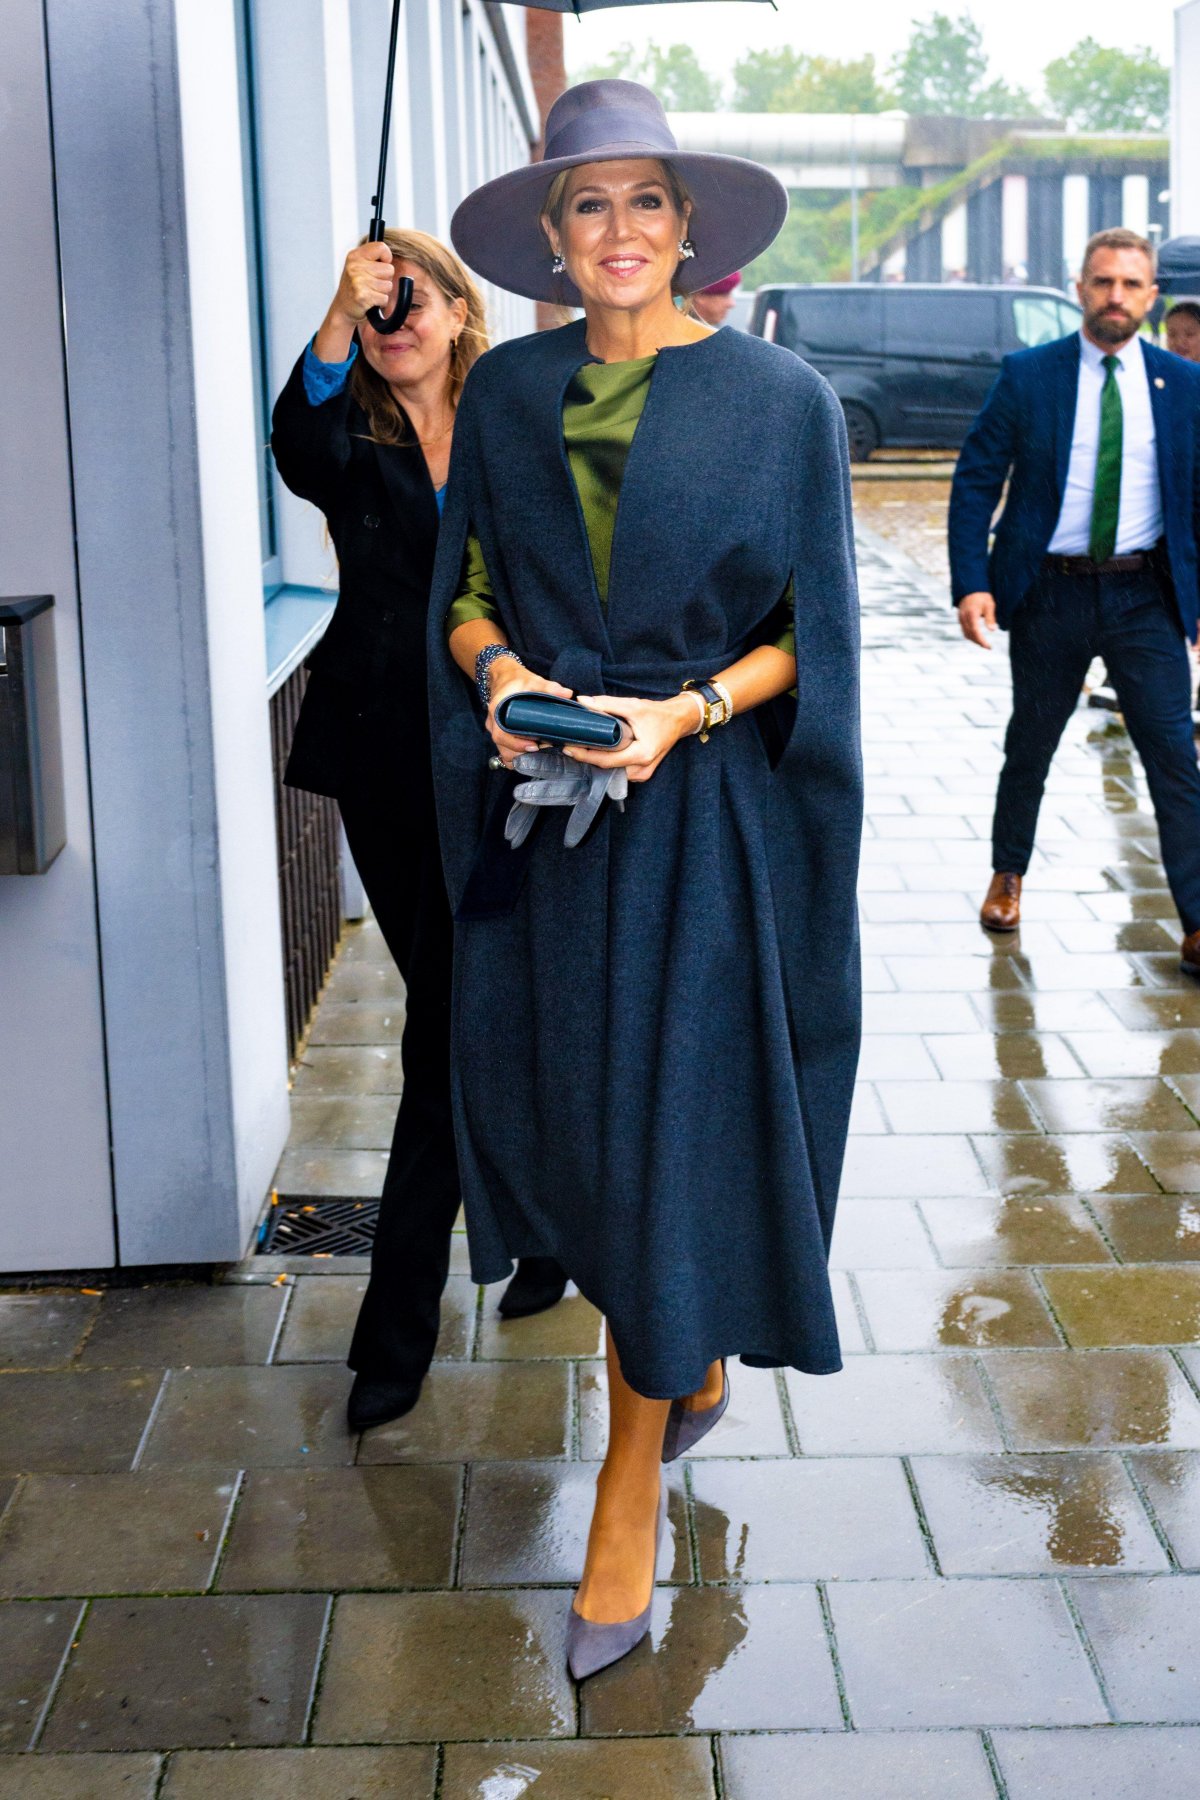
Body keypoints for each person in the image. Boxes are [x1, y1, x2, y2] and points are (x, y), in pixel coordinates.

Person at [428, 80, 862, 1679]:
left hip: (700, 827)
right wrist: (499, 678)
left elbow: (813, 632)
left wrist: (683, 712)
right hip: (551, 832)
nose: (621, 231)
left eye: (647, 201)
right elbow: (464, 588)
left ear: (690, 230)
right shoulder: (508, 396)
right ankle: (685, 1358)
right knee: (585, 1130)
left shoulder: (781, 403)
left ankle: (628, 1487)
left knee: (661, 1135)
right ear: (552, 237)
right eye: (589, 204)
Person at [270, 230, 566, 1437]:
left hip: (512, 758)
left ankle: (536, 1242)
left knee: (514, 1001)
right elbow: (297, 447)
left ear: (457, 309)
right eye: (376, 307)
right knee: (450, 1016)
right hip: (388, 760)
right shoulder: (353, 440)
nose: (395, 321)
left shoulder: (513, 425)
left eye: (410, 300)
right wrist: (338, 317)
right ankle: (398, 1334)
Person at [949, 227, 1200, 971]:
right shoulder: (1030, 375)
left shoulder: (1183, 384)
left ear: (1151, 297)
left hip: (1145, 594)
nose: (1116, 296)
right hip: (1049, 593)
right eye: (1103, 282)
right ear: (1081, 288)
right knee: (1031, 743)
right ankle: (1008, 874)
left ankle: (1197, 919)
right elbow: (976, 478)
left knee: (1174, 756)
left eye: (1131, 284)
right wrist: (972, 582)